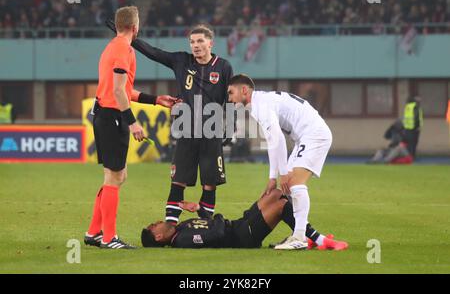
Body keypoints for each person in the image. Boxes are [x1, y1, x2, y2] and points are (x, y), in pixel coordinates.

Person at [106, 21, 234, 226]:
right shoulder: (181, 61)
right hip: (186, 130)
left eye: (200, 41)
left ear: (211, 43)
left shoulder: (224, 67)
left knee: (210, 183)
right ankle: (169, 226)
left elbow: (231, 99)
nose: (196, 45)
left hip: (212, 131)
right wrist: (126, 35)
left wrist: (231, 125)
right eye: (192, 41)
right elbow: (153, 52)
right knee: (178, 180)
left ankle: (207, 226)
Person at [84, 6, 178, 250]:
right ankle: (109, 238)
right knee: (114, 177)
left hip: (106, 115)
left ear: (118, 26)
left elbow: (124, 90)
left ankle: (95, 232)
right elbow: (117, 91)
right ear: (136, 28)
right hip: (112, 117)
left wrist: (156, 99)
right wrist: (132, 122)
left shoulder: (114, 47)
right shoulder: (123, 50)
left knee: (117, 176)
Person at [227, 74, 333, 250]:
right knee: (288, 190)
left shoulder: (261, 105)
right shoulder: (260, 103)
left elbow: (278, 140)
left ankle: (299, 238)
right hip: (305, 137)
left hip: (314, 135)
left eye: (231, 93)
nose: (229, 99)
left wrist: (283, 173)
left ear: (244, 90)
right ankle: (308, 237)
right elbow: (272, 142)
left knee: (295, 184)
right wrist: (272, 177)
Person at [141, 188, 348, 250]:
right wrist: (219, 217)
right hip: (243, 237)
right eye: (154, 226)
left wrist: (198, 210)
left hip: (240, 225)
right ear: (159, 237)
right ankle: (320, 240)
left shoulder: (180, 229)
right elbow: (216, 233)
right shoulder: (183, 241)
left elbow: (208, 225)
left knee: (276, 193)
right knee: (281, 205)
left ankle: (305, 237)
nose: (158, 221)